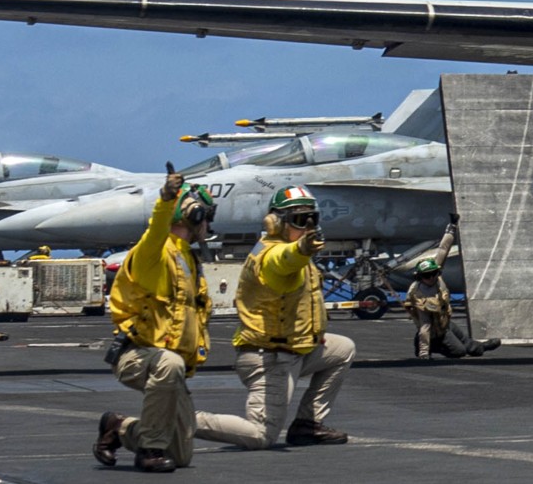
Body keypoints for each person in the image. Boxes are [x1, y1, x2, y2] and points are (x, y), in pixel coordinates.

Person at [93, 172, 243, 473]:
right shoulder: (154, 254)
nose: (209, 226)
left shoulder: (188, 259)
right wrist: (165, 200)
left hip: (171, 364)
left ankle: (118, 427)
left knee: (181, 454)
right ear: (193, 214)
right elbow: (155, 232)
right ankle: (148, 451)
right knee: (169, 364)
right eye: (206, 217)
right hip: (137, 355)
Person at [191, 185, 355, 450]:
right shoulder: (273, 253)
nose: (308, 227)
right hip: (270, 358)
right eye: (300, 220)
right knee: (260, 435)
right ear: (276, 223)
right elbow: (283, 261)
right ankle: (174, 419)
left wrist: (313, 333)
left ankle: (308, 424)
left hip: (294, 349)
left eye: (313, 219)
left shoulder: (293, 249)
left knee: (343, 348)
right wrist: (302, 248)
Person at [406, 257, 499, 360]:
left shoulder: (438, 280)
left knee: (465, 341)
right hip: (433, 333)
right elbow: (425, 326)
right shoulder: (419, 296)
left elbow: (443, 252)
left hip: (444, 324)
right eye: (427, 275)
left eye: (434, 273)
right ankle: (427, 346)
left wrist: (449, 240)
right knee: (459, 352)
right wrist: (424, 352)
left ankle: (480, 347)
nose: (432, 277)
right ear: (420, 277)